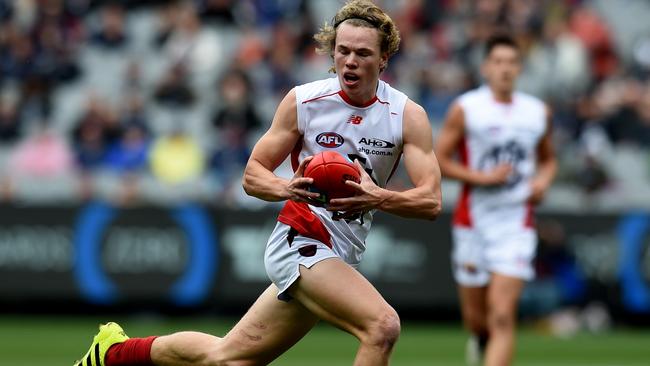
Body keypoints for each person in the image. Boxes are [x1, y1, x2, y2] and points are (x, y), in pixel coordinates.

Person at [73, 1, 442, 366]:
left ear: (384, 59)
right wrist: (286, 188)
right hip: (301, 239)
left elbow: (430, 202)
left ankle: (112, 353)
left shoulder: (406, 115)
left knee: (227, 357)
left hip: (342, 251)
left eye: (362, 53)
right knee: (382, 326)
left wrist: (377, 197)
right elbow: (252, 174)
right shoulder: (305, 101)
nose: (350, 60)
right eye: (343, 50)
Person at [434, 34, 557, 366]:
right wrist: (480, 177)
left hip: (516, 223)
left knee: (502, 315)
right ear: (486, 67)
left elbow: (548, 159)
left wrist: (543, 182)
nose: (505, 69)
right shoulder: (467, 108)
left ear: (520, 68)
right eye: (498, 62)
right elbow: (440, 159)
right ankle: (480, 339)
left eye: (512, 62)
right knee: (477, 319)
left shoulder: (536, 112)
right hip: (473, 222)